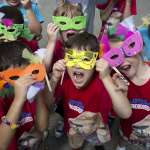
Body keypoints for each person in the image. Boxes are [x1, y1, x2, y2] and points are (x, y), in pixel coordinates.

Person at [46, 32, 131, 149]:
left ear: (96, 61)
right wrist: (54, 79)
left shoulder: (103, 81)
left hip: (97, 128)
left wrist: (106, 78)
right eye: (71, 58)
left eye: (85, 59)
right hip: (72, 126)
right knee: (75, 144)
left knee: (98, 142)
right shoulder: (64, 78)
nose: (77, 65)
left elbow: (125, 113)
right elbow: (47, 105)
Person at [100, 23, 150, 150]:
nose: (122, 61)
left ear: (141, 47)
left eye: (127, 52)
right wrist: (107, 79)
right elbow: (124, 114)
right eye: (114, 56)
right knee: (123, 139)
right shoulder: (117, 79)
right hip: (126, 130)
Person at [0, 41, 48, 149]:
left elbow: (42, 127)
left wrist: (38, 87)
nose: (24, 81)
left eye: (28, 73)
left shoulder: (31, 91)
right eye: (15, 78)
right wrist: (18, 100)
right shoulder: (3, 99)